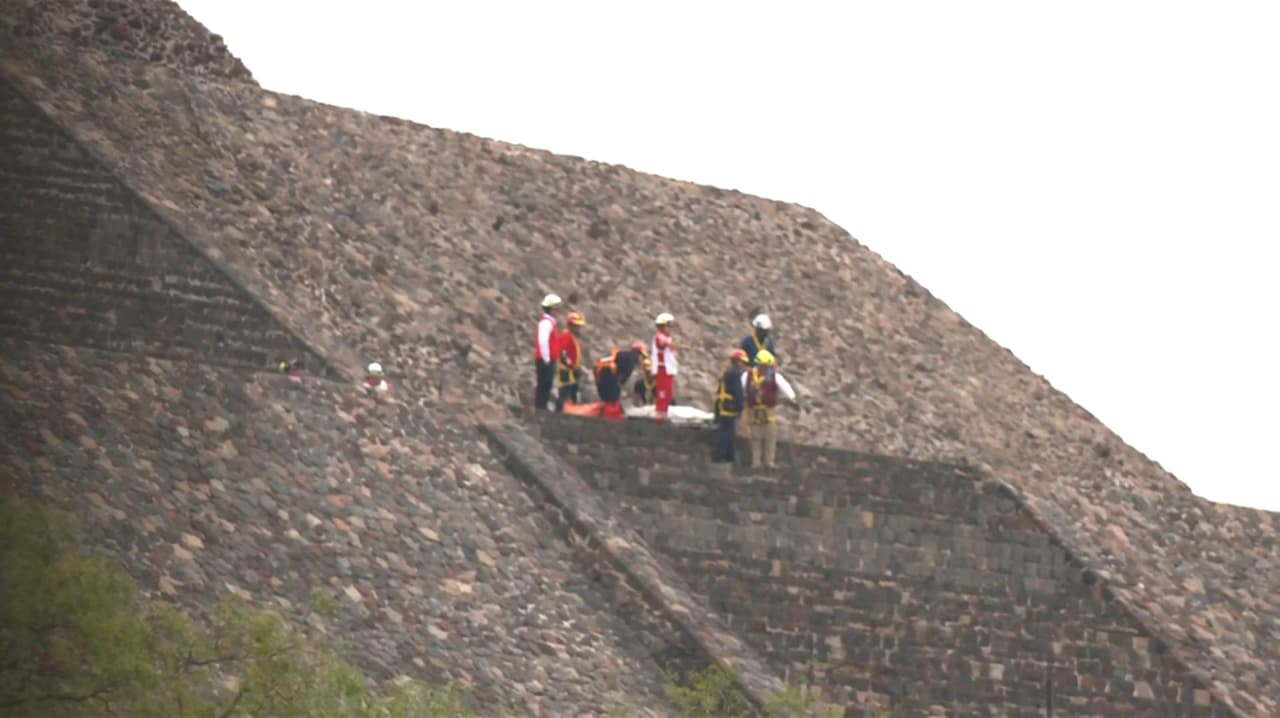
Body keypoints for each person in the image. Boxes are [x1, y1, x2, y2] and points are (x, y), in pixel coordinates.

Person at [740, 349, 798, 469]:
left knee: (770, 435)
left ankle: (769, 461)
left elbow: (785, 387)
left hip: (768, 410)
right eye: (765, 365)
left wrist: (792, 398)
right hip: (753, 410)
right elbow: (741, 389)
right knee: (755, 436)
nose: (766, 368)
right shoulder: (748, 376)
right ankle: (756, 462)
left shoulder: (775, 377)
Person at [712, 349, 749, 464]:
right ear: (738, 361)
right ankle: (722, 455)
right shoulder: (735, 374)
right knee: (727, 431)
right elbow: (738, 392)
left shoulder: (727, 372)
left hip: (723, 406)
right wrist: (741, 406)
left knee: (728, 430)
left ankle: (729, 455)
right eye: (743, 362)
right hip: (729, 407)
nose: (744, 365)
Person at [594, 342, 647, 420]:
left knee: (608, 397)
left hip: (599, 369)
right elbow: (623, 379)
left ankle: (603, 411)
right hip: (606, 371)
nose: (643, 360)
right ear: (639, 355)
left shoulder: (625, 354)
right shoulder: (631, 359)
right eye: (643, 357)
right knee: (613, 397)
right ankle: (611, 417)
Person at [533, 294, 561, 411]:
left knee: (546, 385)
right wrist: (546, 358)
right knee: (544, 384)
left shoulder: (550, 322)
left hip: (548, 359)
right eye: (556, 308)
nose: (558, 311)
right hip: (545, 359)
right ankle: (540, 408)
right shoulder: (546, 323)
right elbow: (543, 341)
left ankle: (541, 408)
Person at [556, 311, 586, 411]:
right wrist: (571, 366)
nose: (578, 328)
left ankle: (572, 412)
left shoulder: (572, 337)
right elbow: (563, 354)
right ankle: (558, 414)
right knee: (564, 394)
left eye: (579, 326)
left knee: (573, 393)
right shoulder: (566, 336)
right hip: (566, 371)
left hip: (572, 371)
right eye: (576, 326)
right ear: (571, 326)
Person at [650, 312, 677, 423]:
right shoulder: (659, 337)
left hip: (668, 370)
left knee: (667, 396)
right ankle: (659, 420)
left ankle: (663, 417)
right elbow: (662, 343)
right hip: (662, 370)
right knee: (662, 395)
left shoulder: (667, 337)